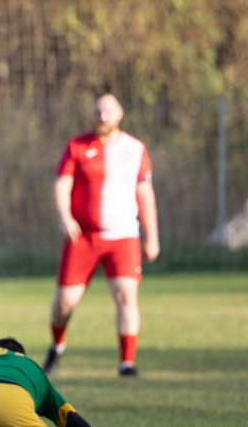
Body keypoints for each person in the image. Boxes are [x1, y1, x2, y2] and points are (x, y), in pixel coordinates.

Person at [43, 93, 160, 378]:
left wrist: (152, 236)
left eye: (107, 111)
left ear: (119, 113)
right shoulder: (77, 146)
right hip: (82, 237)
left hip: (123, 237)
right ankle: (58, 345)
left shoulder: (135, 149)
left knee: (125, 295)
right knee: (65, 302)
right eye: (97, 111)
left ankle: (126, 363)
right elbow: (62, 185)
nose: (102, 117)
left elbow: (144, 193)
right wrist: (65, 217)